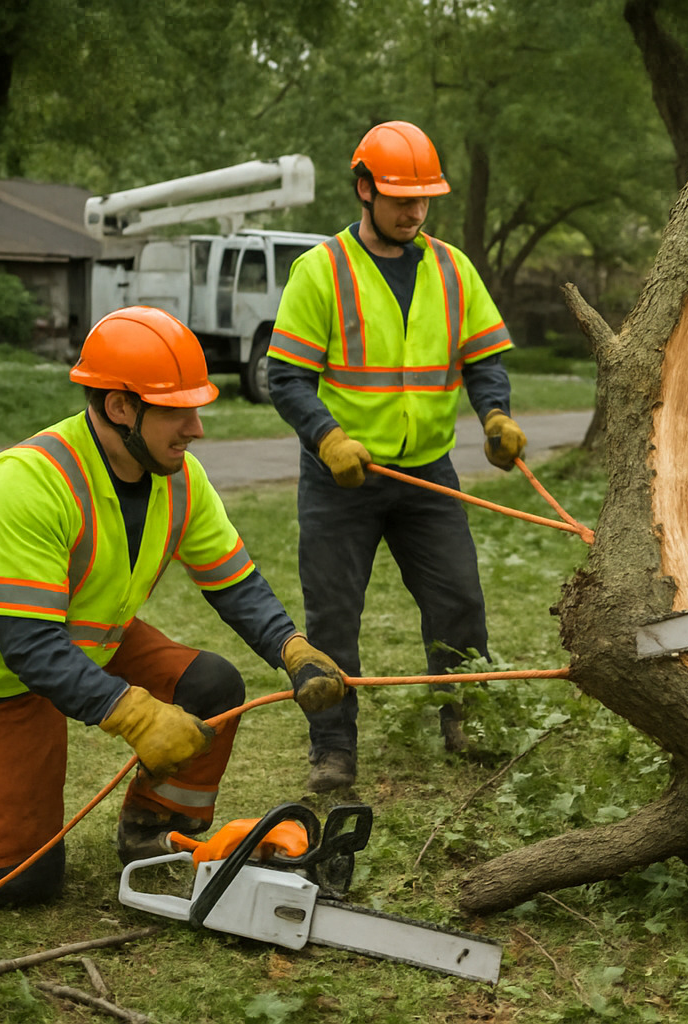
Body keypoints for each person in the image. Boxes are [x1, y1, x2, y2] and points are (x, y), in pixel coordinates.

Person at [0, 307, 347, 906]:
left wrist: (292, 648)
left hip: (88, 640)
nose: (197, 428)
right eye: (178, 410)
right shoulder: (27, 481)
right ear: (121, 408)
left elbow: (233, 582)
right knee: (20, 884)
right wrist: (134, 715)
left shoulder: (178, 477)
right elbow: (29, 645)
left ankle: (150, 828)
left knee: (212, 684)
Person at [267, 120, 525, 792]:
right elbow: (286, 378)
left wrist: (494, 416)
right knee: (331, 619)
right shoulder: (320, 271)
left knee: (459, 601)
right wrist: (327, 438)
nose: (416, 211)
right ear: (363, 188)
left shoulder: (452, 267)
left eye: (425, 199)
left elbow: (483, 358)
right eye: (403, 199)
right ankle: (333, 750)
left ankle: (464, 718)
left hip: (428, 473)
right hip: (340, 479)